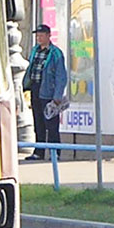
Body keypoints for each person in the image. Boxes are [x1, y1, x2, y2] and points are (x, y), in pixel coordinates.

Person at [22, 24, 67, 160]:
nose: (39, 38)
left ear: (48, 36)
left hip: (49, 92)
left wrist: (57, 95)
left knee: (51, 124)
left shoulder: (55, 53)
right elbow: (31, 69)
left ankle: (55, 153)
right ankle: (39, 152)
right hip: (36, 89)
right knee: (38, 122)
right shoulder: (35, 50)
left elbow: (61, 76)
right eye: (37, 36)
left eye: (41, 35)